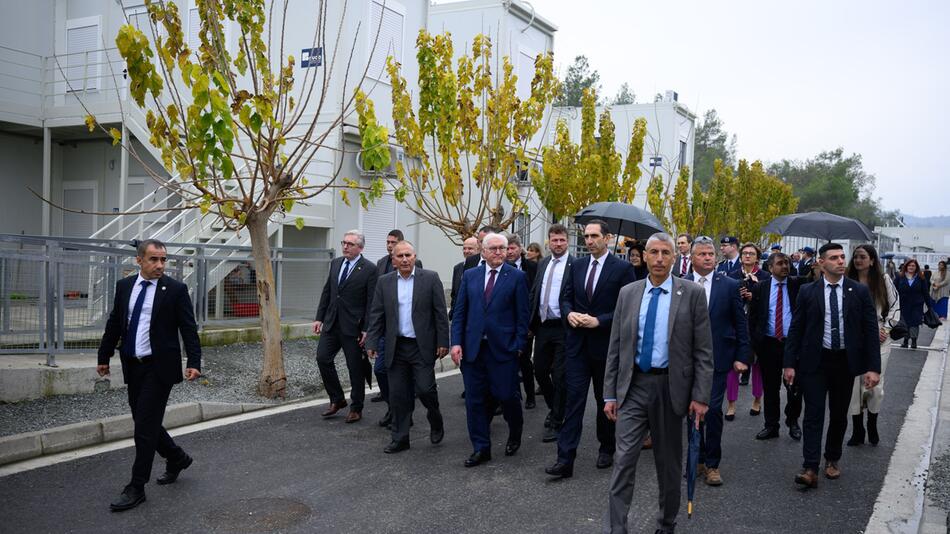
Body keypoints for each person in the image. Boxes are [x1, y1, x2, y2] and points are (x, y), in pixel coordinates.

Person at [603, 232, 714, 533]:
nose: (660, 259)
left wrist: (701, 396)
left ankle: (666, 524)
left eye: (666, 253)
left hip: (670, 389)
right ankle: (617, 528)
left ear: (675, 258)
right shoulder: (628, 293)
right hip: (634, 386)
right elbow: (616, 347)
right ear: (645, 255)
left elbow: (704, 351)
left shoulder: (690, 294)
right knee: (623, 459)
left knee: (668, 465)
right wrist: (609, 395)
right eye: (654, 253)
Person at [97, 239, 202, 512]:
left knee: (144, 427)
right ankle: (176, 457)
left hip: (160, 367)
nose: (159, 265)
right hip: (134, 365)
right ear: (139, 260)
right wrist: (103, 356)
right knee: (145, 420)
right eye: (154, 259)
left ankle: (136, 486)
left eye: (163, 260)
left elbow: (188, 328)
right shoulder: (125, 287)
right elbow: (115, 323)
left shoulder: (175, 290)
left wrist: (194, 360)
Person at [784, 242, 881, 489]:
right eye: (834, 257)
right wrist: (789, 364)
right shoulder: (808, 291)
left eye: (842, 257)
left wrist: (873, 368)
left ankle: (832, 459)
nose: (841, 261)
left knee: (839, 415)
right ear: (821, 262)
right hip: (815, 362)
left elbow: (870, 331)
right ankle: (809, 466)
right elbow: (796, 329)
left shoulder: (858, 291)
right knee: (813, 414)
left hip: (844, 363)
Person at [545, 220, 636, 478]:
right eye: (586, 236)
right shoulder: (577, 265)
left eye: (594, 236)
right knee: (573, 401)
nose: (589, 240)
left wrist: (599, 320)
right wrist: (569, 313)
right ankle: (565, 459)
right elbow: (565, 297)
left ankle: (606, 447)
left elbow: (626, 308)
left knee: (603, 400)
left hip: (605, 347)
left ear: (607, 238)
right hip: (576, 346)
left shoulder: (622, 269)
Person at [451, 233, 530, 467]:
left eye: (502, 248)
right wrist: (456, 342)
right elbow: (460, 313)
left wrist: (517, 346)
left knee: (507, 396)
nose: (498, 252)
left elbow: (522, 315)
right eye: (493, 248)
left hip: (503, 350)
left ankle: (515, 431)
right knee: (475, 401)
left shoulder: (516, 277)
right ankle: (481, 448)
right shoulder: (470, 276)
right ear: (483, 252)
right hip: (473, 350)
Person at [365, 241, 449, 453]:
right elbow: (376, 314)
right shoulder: (384, 282)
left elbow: (440, 313)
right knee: (398, 395)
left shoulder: (430, 278)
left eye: (408, 255)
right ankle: (400, 437)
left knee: (425, 389)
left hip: (421, 346)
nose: (404, 259)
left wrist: (443, 342)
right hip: (396, 346)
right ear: (393, 260)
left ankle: (435, 417)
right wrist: (372, 341)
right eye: (400, 256)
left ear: (415, 257)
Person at [683, 236, 750, 486]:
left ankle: (712, 464)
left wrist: (743, 356)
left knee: (711, 410)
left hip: (719, 358)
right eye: (702, 254)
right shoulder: (682, 283)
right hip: (687, 360)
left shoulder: (729, 285)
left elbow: (740, 323)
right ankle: (696, 459)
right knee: (691, 411)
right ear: (692, 258)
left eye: (711, 254)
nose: (708, 258)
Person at [314, 230, 378, 423]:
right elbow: (328, 291)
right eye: (344, 243)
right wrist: (319, 317)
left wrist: (367, 328)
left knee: (355, 368)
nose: (345, 247)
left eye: (350, 244)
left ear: (360, 247)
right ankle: (337, 399)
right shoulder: (336, 264)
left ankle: (356, 407)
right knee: (322, 358)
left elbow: (371, 301)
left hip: (354, 327)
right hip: (332, 323)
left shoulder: (369, 269)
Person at [846, 244, 900, 447]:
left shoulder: (883, 280)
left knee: (875, 385)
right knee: (853, 385)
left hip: (880, 336)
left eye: (862, 257)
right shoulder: (847, 281)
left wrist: (886, 328)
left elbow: (895, 306)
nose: (858, 260)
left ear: (872, 260)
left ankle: (872, 423)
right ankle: (857, 428)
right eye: (856, 257)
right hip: (854, 337)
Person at [748, 252, 805, 441]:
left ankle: (793, 420)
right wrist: (754, 345)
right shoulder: (761, 288)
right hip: (769, 343)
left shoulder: (798, 285)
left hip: (792, 344)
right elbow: (753, 317)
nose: (785, 266)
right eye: (780, 263)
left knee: (795, 387)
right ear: (770, 268)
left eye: (787, 263)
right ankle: (771, 425)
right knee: (770, 387)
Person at [529, 224, 574, 443]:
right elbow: (535, 292)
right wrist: (529, 322)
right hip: (543, 326)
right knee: (539, 370)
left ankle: (557, 420)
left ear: (567, 241)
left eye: (561, 240)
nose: (557, 244)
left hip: (564, 328)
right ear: (548, 241)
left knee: (560, 375)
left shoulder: (575, 265)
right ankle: (554, 406)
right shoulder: (544, 263)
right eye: (554, 240)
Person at [372, 229, 423, 413]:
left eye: (393, 242)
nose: (389, 245)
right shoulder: (381, 264)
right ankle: (392, 407)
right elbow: (377, 304)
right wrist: (371, 335)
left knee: (419, 386)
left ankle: (400, 407)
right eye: (388, 242)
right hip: (388, 331)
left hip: (412, 335)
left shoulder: (417, 267)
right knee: (380, 370)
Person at [728, 243, 767, 416]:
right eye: (745, 253)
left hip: (757, 326)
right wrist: (739, 295)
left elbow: (769, 304)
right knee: (733, 365)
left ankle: (757, 400)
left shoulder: (765, 276)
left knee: (758, 365)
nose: (748, 256)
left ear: (757, 257)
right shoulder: (733, 275)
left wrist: (755, 296)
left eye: (752, 253)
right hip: (736, 324)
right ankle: (731, 404)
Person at [507, 233, 538, 409]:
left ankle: (530, 395)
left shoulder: (532, 267)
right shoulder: (501, 266)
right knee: (508, 360)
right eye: (508, 248)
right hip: (506, 322)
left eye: (513, 248)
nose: (510, 252)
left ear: (520, 249)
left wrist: (531, 325)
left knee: (524, 360)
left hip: (526, 322)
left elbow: (535, 297)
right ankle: (511, 395)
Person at [895, 259, 933, 349]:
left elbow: (925, 292)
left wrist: (929, 305)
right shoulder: (900, 277)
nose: (911, 267)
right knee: (905, 322)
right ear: (906, 267)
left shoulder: (921, 278)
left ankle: (914, 341)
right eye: (909, 265)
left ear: (916, 267)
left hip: (917, 304)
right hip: (903, 304)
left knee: (914, 323)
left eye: (913, 266)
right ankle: (905, 340)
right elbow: (893, 290)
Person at [450, 236, 480, 310]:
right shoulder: (457, 268)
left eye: (470, 248)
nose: (466, 251)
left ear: (479, 249)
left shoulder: (481, 267)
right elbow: (454, 293)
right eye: (464, 248)